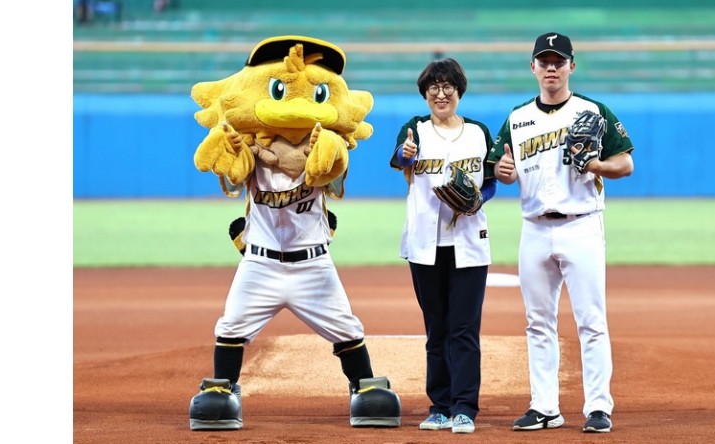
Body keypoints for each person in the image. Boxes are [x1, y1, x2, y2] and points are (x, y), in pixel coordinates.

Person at [187, 35, 400, 431]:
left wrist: (330, 146)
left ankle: (363, 388)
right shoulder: (251, 151)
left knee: (347, 328)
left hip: (313, 265)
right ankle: (223, 389)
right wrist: (226, 144)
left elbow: (333, 175)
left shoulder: (325, 147)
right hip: (260, 265)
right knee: (231, 326)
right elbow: (230, 172)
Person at [489, 32, 635, 433]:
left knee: (591, 320)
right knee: (538, 323)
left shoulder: (593, 110)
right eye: (544, 60)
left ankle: (598, 408)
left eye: (559, 60)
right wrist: (503, 172)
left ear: (572, 66)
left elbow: (625, 164)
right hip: (534, 228)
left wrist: (595, 166)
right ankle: (544, 407)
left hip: (581, 224)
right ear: (533, 67)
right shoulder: (517, 119)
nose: (551, 67)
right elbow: (500, 167)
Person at [389, 58, 497, 434]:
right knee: (436, 328)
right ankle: (440, 406)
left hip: (469, 242)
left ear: (459, 91)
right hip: (424, 243)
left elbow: (491, 181)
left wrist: (480, 198)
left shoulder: (479, 132)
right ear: (424, 94)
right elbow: (399, 159)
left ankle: (464, 407)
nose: (441, 93)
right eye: (433, 87)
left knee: (464, 329)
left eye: (447, 86)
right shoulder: (415, 130)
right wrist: (406, 154)